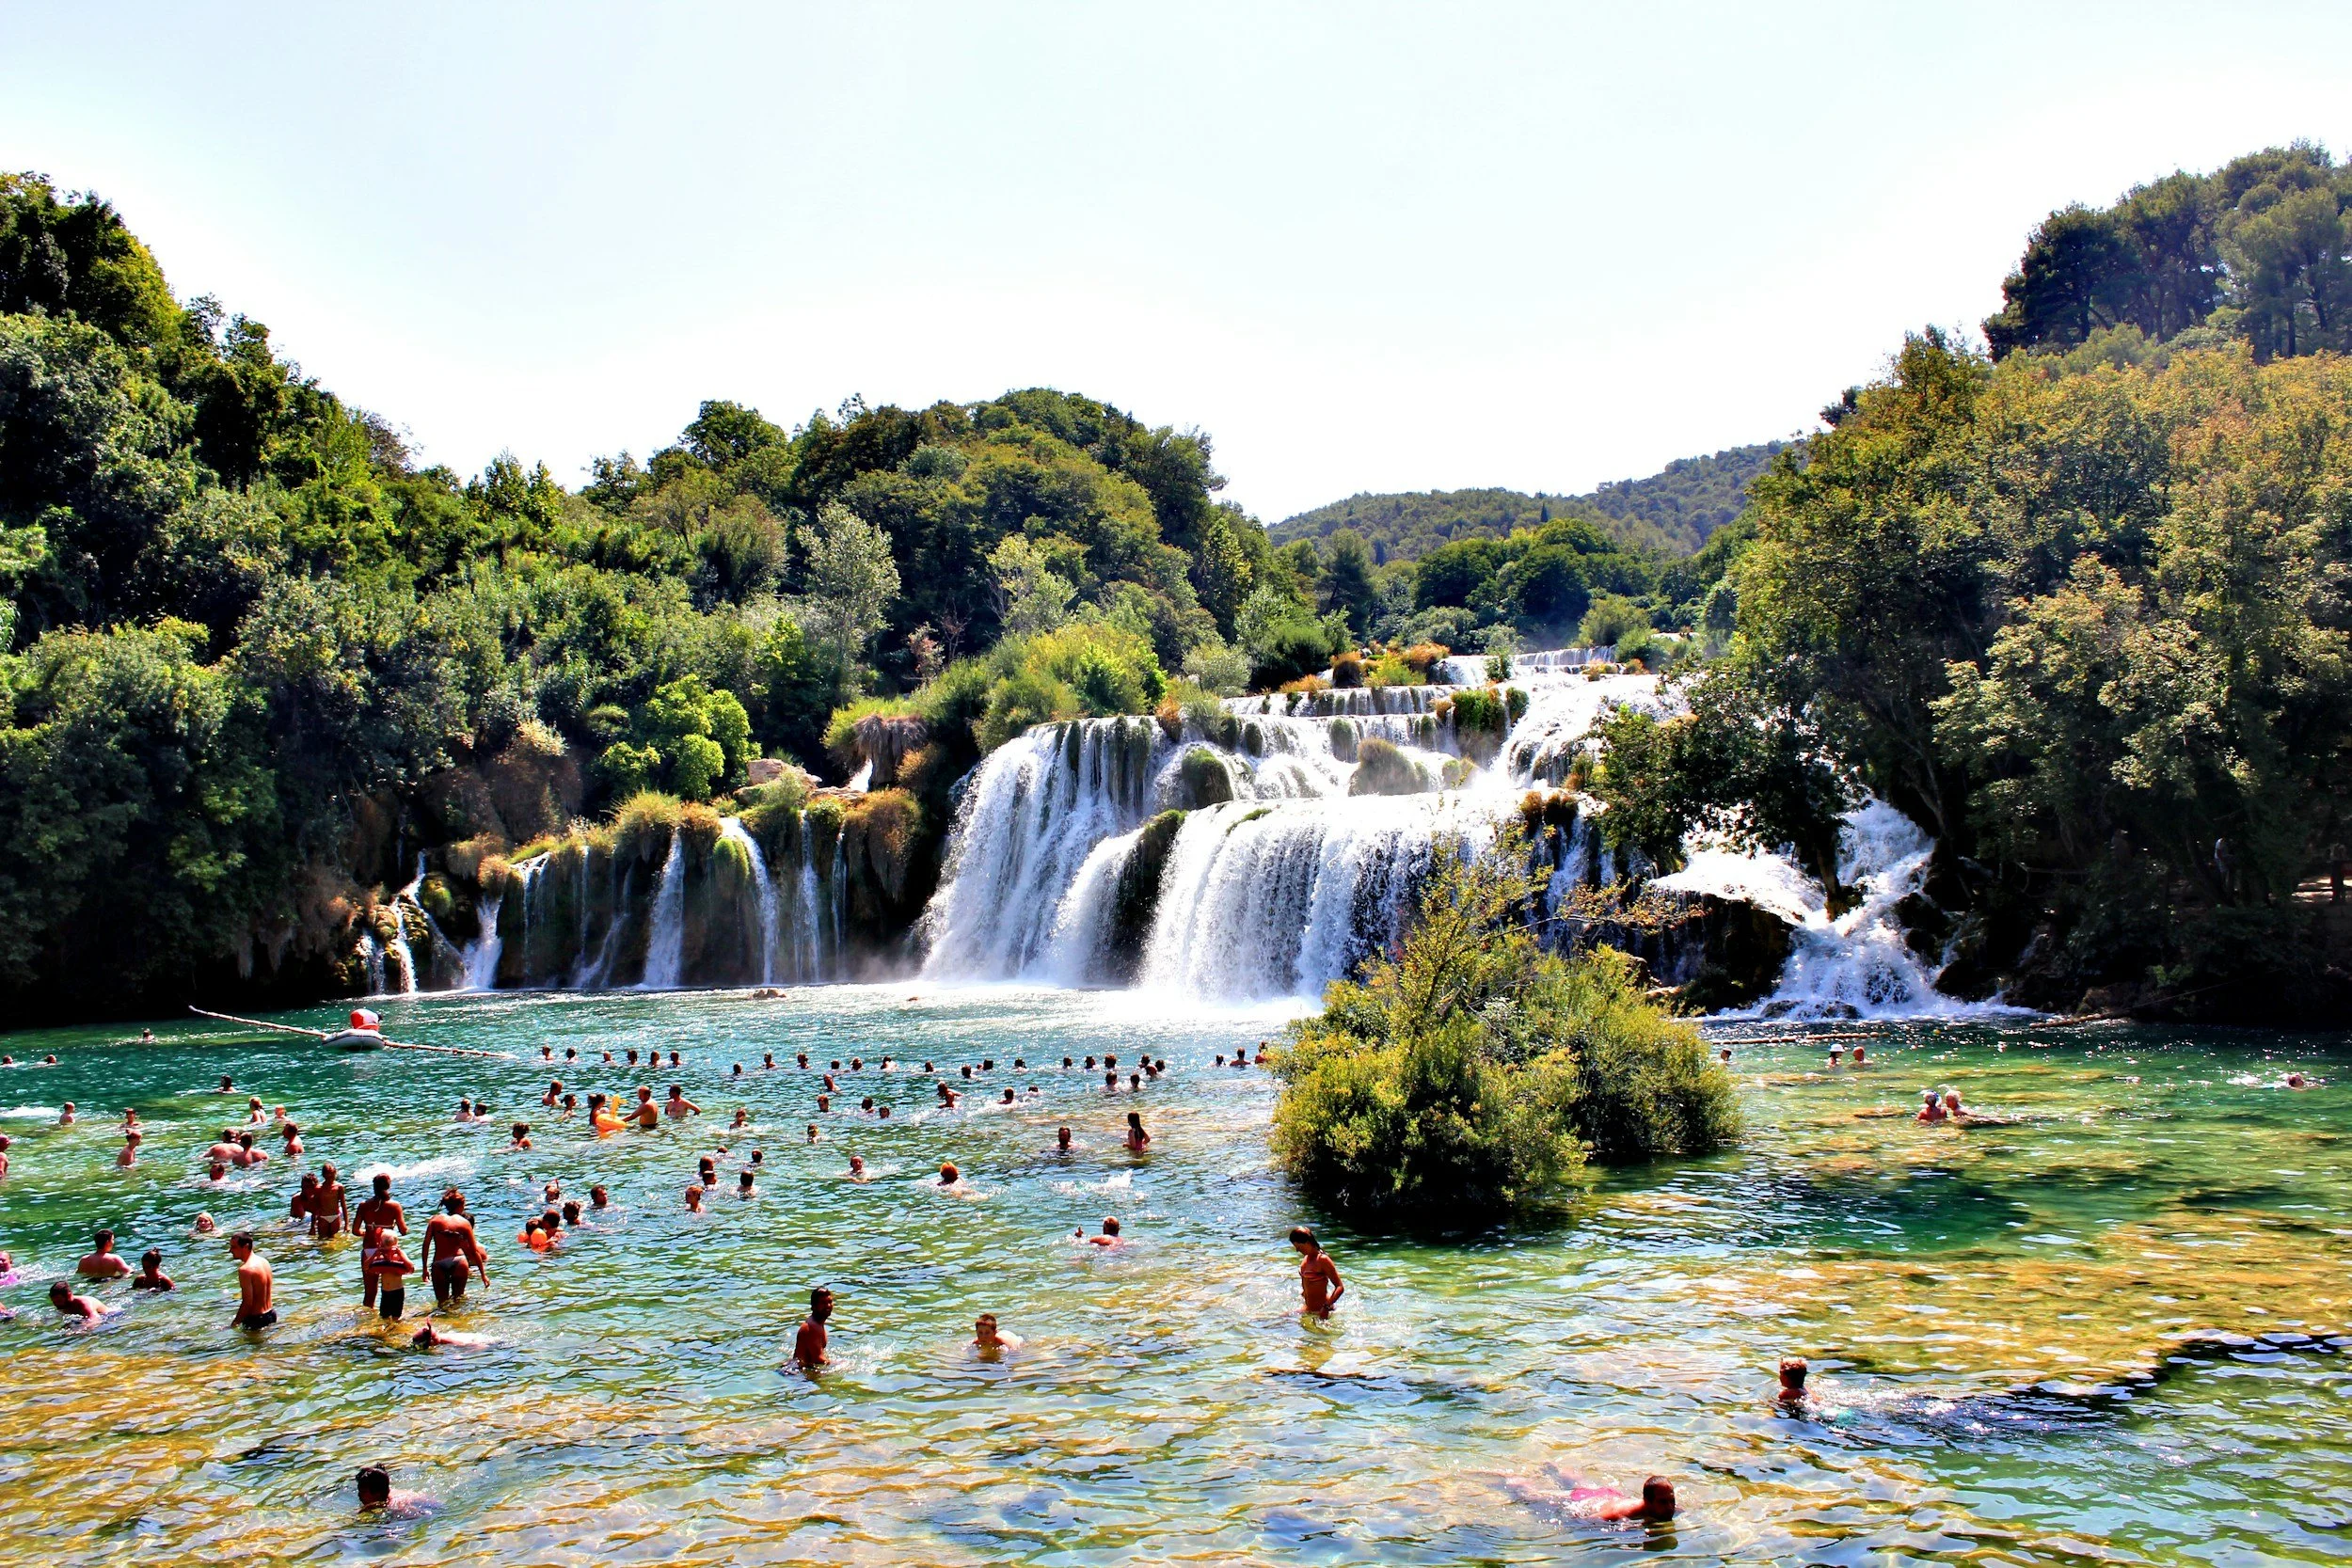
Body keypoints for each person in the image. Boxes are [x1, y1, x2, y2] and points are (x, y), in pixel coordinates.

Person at [422, 1189, 487, 1307]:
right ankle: (458, 1324)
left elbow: (426, 1245)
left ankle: (442, 1322)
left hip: (439, 1262)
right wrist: (483, 1274)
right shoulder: (464, 1223)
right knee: (458, 1301)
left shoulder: (434, 1221)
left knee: (442, 1303)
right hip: (459, 1261)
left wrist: (424, 1268)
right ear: (460, 1205)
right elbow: (474, 1251)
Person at [355, 1175, 406, 1308]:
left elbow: (355, 1230)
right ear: (388, 1186)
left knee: (370, 1293)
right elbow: (403, 1230)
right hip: (388, 1251)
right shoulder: (395, 1206)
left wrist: (368, 1232)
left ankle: (367, 1321)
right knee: (391, 1288)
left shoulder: (363, 1205)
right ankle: (391, 1319)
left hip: (369, 1250)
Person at [1292, 1227, 1343, 1317]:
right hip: (1308, 1308)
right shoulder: (1306, 1259)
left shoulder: (1322, 1259)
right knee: (1278, 1320)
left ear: (1307, 1242)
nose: (1297, 1250)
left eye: (1298, 1247)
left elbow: (1340, 1287)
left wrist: (1326, 1307)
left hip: (1322, 1310)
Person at [365, 1226, 414, 1321]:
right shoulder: (379, 1256)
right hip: (385, 1291)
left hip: (397, 1291)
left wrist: (399, 1253)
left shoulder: (399, 1254)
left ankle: (395, 1332)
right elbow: (366, 1266)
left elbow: (411, 1267)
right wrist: (375, 1254)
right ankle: (387, 1333)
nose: (386, 1248)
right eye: (383, 1245)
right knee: (384, 1316)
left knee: (396, 1317)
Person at [230, 1231, 276, 1330]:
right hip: (271, 1314)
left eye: (234, 1247)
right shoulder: (264, 1261)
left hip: (256, 1320)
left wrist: (234, 1324)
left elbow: (247, 1303)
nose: (230, 1250)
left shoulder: (245, 1270)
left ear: (246, 1247)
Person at [792, 1287, 834, 1370]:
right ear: (814, 1306)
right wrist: (842, 1364)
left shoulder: (817, 1323)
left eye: (830, 1302)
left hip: (799, 1370)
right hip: (796, 1374)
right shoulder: (812, 1327)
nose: (828, 1306)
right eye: (823, 1303)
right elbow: (818, 1359)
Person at [314, 1164, 350, 1239]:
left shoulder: (339, 1187)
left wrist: (347, 1224)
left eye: (332, 1176)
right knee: (322, 1239)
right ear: (324, 1175)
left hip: (335, 1216)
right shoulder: (319, 1188)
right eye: (328, 1176)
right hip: (323, 1217)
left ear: (335, 1174)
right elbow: (316, 1207)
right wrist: (313, 1226)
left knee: (333, 1239)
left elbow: (343, 1205)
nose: (330, 1178)